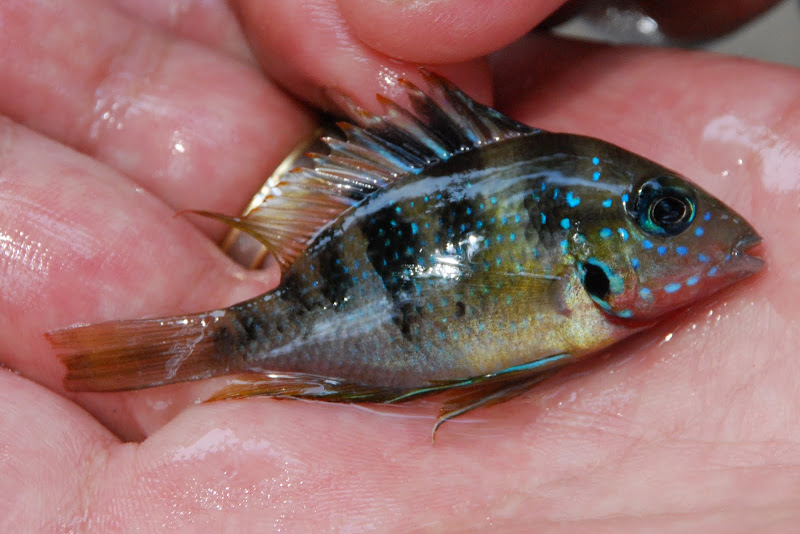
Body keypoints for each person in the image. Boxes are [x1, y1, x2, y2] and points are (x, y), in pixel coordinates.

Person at [0, 0, 797, 531]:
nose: (718, 231)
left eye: (671, 213)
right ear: (595, 246)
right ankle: (198, 345)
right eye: (667, 214)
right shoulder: (572, 275)